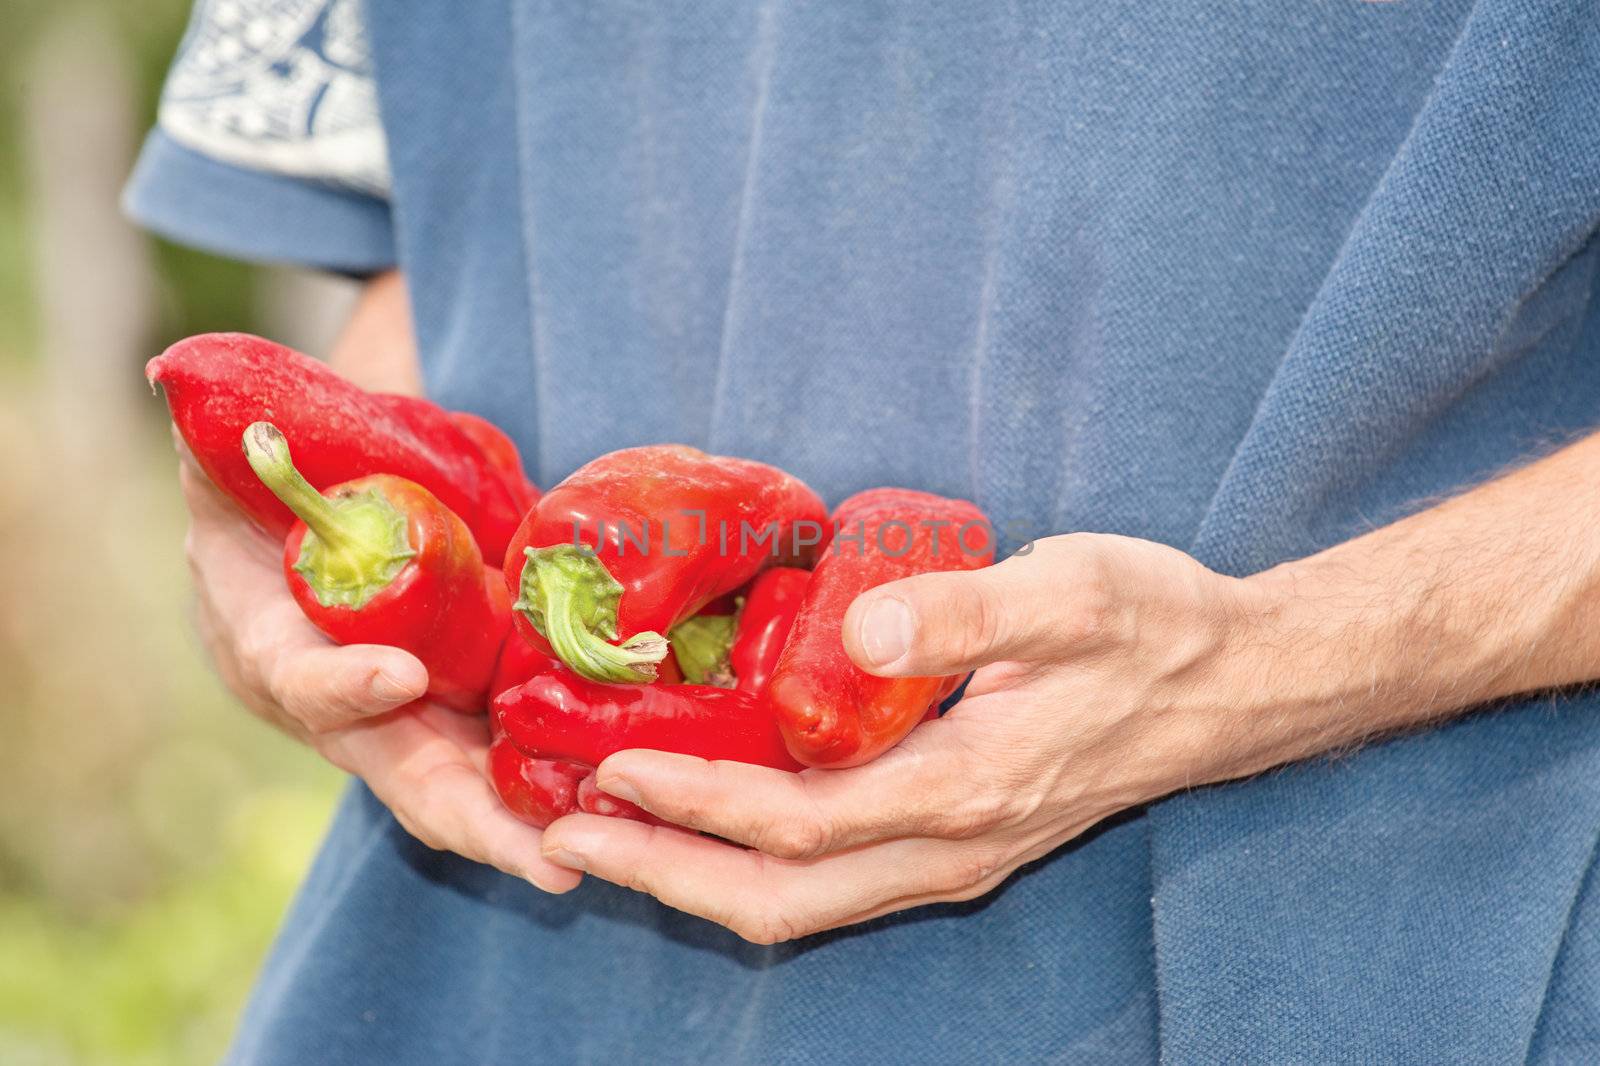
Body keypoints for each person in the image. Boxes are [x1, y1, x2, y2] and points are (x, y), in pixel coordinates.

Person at [125, 1, 1600, 1062]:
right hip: (473, 968)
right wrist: (346, 533)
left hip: (1359, 960)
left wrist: (1298, 654)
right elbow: (405, 209)